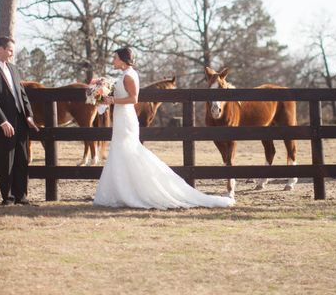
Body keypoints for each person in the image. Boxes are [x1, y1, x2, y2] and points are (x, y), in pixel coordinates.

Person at [93, 47, 234, 209]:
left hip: (125, 118)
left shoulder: (129, 76)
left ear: (124, 60)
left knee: (127, 151)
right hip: (121, 117)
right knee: (120, 153)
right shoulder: (125, 75)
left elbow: (133, 99)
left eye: (115, 58)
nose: (113, 61)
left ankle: (132, 191)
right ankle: (120, 191)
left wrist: (112, 101)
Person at [0, 36, 40, 205]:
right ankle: (9, 197)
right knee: (6, 160)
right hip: (3, 124)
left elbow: (22, 94)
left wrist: (29, 115)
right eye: (10, 50)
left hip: (21, 121)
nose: (12, 54)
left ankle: (21, 196)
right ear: (0, 49)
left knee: (22, 158)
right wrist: (2, 121)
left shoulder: (13, 69)